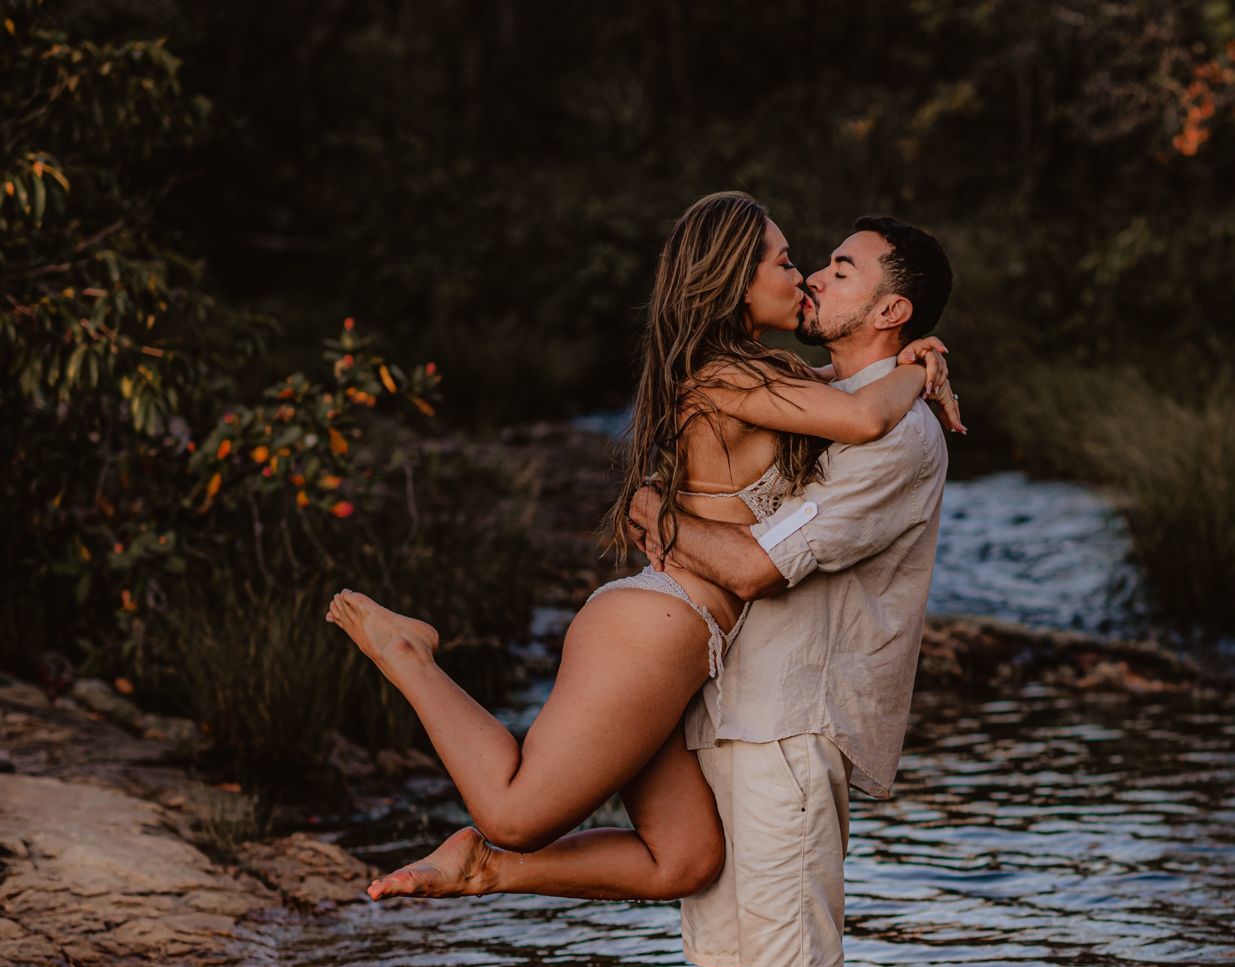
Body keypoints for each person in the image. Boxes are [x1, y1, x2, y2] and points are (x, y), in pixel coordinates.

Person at [325, 190, 958, 916]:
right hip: (661, 625)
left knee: (684, 860)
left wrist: (903, 355)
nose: (804, 275)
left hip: (685, 642)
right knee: (515, 812)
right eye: (785, 262)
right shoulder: (726, 373)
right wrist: (925, 367)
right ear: (736, 282)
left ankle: (485, 867)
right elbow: (862, 412)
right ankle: (409, 655)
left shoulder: (761, 374)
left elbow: (841, 393)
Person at [626, 212, 955, 967]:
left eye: (839, 270)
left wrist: (651, 512)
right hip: (720, 703)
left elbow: (753, 567)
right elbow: (805, 406)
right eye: (807, 262)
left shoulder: (894, 439)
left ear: (889, 307)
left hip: (790, 726)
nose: (812, 276)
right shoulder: (807, 393)